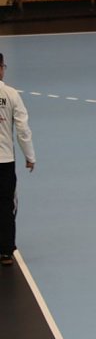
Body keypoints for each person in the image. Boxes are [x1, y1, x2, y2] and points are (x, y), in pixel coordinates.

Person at [0, 53, 36, 266]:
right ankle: (5, 251)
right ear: (1, 68)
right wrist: (29, 156)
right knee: (6, 204)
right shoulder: (11, 94)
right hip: (4, 160)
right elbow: (22, 129)